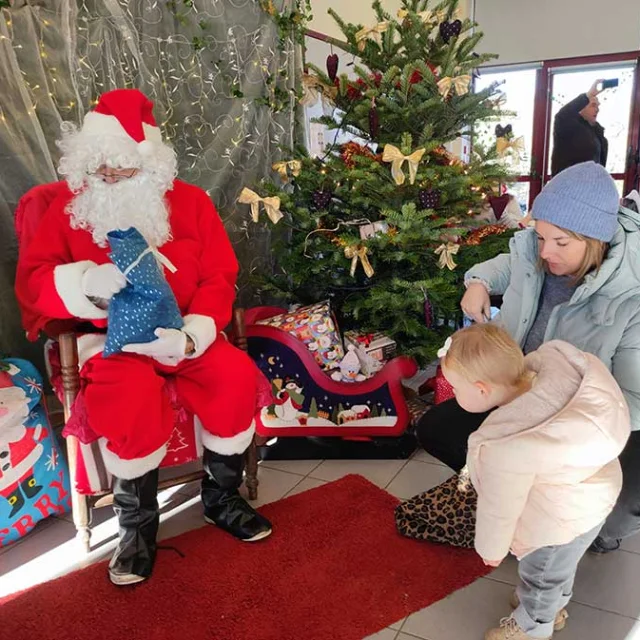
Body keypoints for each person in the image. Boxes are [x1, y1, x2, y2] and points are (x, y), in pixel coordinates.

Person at [15, 89, 272, 586]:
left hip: (185, 332)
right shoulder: (64, 210)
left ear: (150, 165)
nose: (109, 179)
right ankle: (137, 528)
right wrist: (83, 284)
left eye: (122, 170)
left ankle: (221, 498)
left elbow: (220, 276)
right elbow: (34, 279)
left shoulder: (191, 204)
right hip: (110, 339)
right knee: (127, 398)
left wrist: (195, 335)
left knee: (234, 376)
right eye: (100, 169)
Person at [415, 161, 640, 555]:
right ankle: (518, 501)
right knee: (436, 428)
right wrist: (478, 283)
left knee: (618, 507)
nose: (545, 252)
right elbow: (507, 262)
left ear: (596, 239)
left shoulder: (631, 295)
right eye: (540, 237)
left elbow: (633, 404)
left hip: (583, 422)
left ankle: (574, 526)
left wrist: (553, 415)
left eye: (560, 243)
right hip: (515, 393)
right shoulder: (535, 252)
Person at [437, 323, 629, 640]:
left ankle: (534, 624)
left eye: (457, 389)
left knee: (541, 575)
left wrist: (491, 550)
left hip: (554, 522)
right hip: (592, 497)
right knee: (559, 569)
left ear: (482, 389)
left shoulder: (506, 444)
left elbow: (499, 508)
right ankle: (551, 605)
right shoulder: (561, 370)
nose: (455, 395)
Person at [551, 80, 608, 175]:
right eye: (593, 105)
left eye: (598, 106)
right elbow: (562, 115)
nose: (597, 109)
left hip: (591, 186)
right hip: (568, 185)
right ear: (581, 108)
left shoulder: (599, 134)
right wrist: (588, 95)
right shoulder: (567, 126)